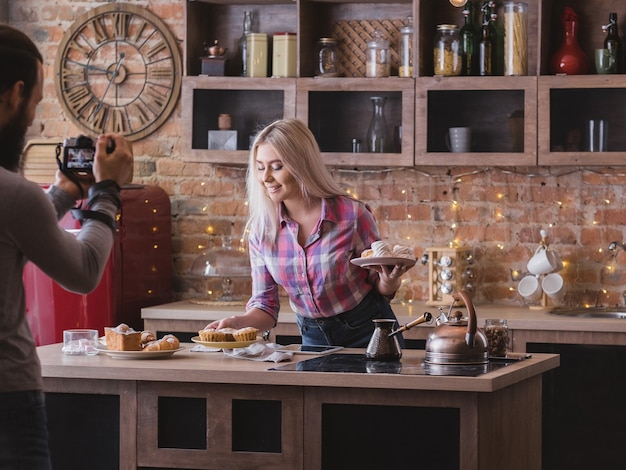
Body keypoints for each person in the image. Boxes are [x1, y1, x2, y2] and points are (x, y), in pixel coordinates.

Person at [0, 25, 133, 469]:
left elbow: (14, 229)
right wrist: (108, 192)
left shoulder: (18, 199)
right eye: (35, 102)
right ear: (14, 94)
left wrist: (62, 193)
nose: (34, 120)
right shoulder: (13, 194)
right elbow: (84, 270)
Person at [205, 118, 409, 347]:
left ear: (301, 164)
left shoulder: (352, 215)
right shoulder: (262, 230)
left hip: (371, 333)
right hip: (314, 338)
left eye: (277, 166)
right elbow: (265, 307)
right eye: (260, 167)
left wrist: (390, 281)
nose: (265, 178)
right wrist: (237, 322)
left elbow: (380, 286)